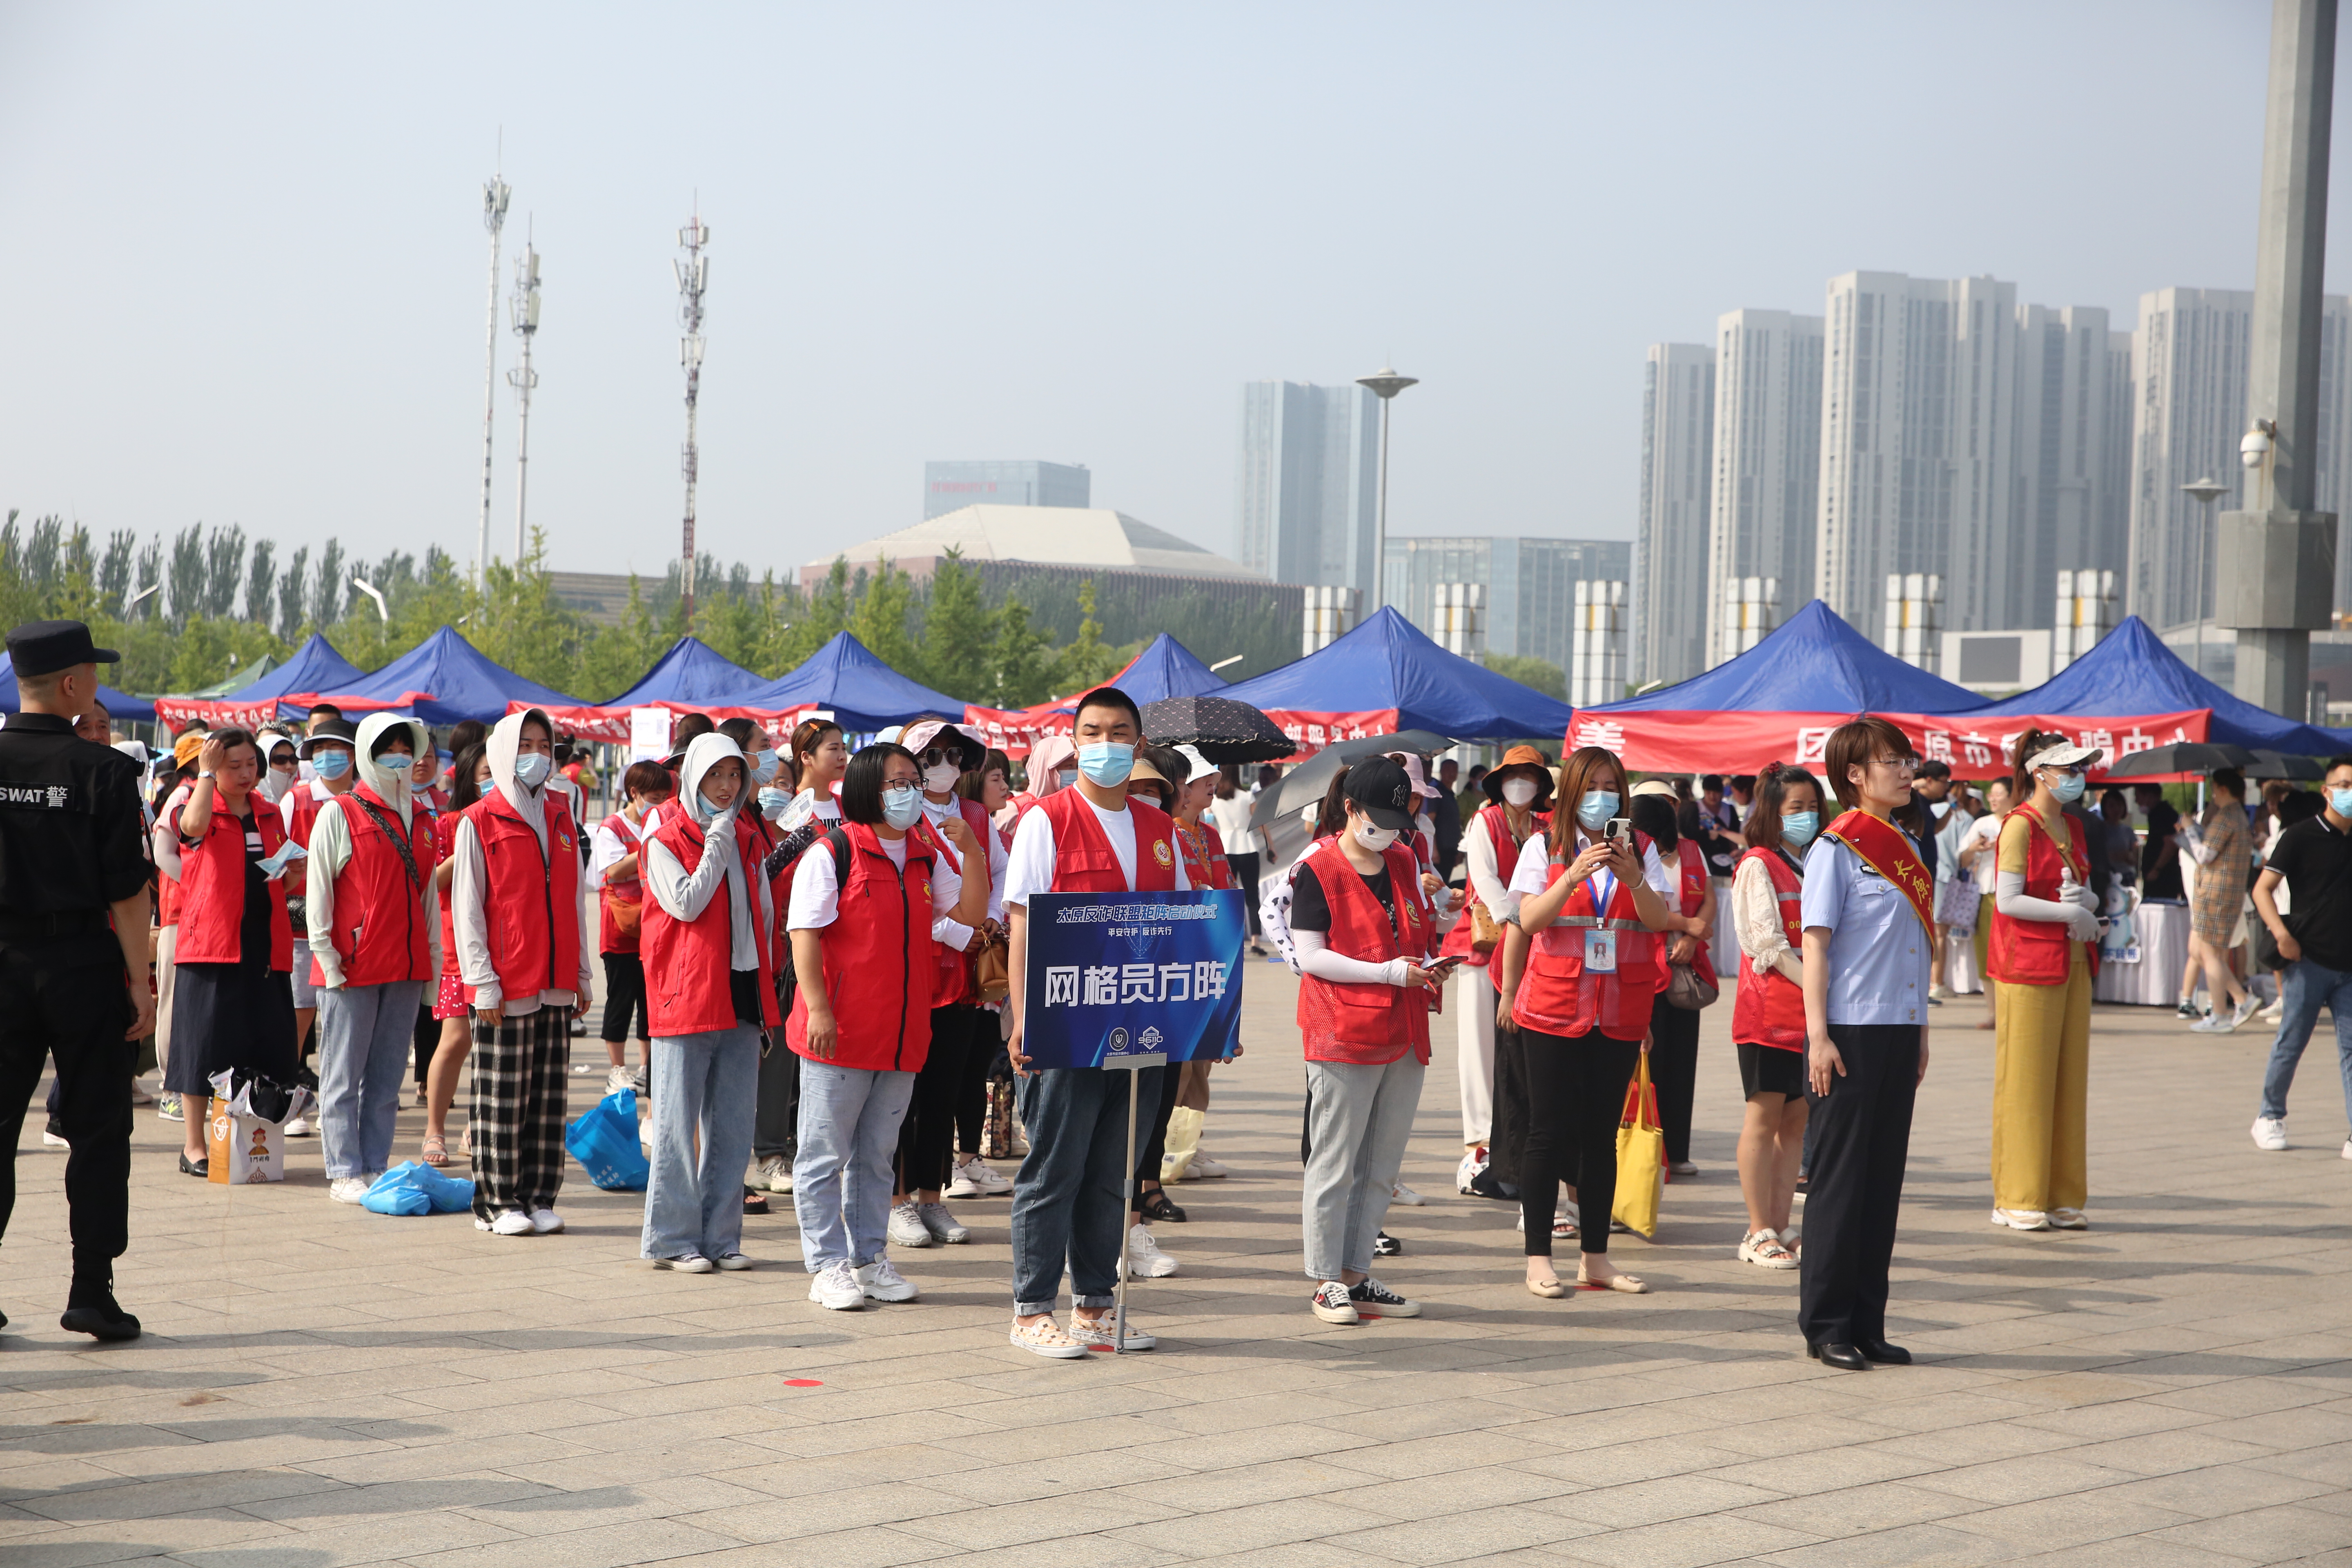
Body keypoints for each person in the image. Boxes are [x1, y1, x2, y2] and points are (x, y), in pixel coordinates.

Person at [1003, 686, 1189, 1357]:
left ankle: (1093, 1307)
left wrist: (1203, 1024)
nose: (1105, 744)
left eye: (1119, 733)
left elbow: (1184, 935)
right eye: (1093, 732)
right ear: (1073, 743)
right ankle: (1030, 1310)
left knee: (1114, 1171)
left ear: (1139, 747)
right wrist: (1024, 1021)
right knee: (1054, 1169)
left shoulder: (1163, 833)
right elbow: (1021, 925)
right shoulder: (1045, 821)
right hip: (1064, 1027)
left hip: (1140, 1030)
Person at [786, 742, 984, 1308]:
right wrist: (820, 1007)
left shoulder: (924, 853)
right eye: (898, 781)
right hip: (840, 1032)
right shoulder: (835, 852)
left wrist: (970, 854)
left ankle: (870, 1259)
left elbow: (967, 917)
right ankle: (826, 1265)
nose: (910, 790)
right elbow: (805, 934)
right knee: (824, 1155)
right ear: (870, 787)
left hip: (902, 1034)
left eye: (913, 780)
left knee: (876, 1156)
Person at [0, 621, 152, 1340]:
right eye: (91, 673)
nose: (95, 684)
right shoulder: (107, 772)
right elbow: (128, 897)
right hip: (83, 967)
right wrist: (143, 983)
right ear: (70, 685)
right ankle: (92, 1289)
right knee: (97, 1131)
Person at [1497, 744, 1677, 1297]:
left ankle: (1595, 1258)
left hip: (1619, 1012)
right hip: (1552, 1009)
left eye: (1612, 786)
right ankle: (1538, 1260)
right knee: (1546, 1133)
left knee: (1600, 1138)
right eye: (1593, 785)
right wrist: (1571, 876)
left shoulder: (1640, 848)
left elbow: (1657, 922)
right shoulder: (1542, 846)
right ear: (1573, 791)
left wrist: (1634, 878)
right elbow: (1527, 919)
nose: (1603, 796)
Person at [1798, 716, 1931, 1371]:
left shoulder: (1904, 843)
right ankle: (1826, 1325)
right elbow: (1816, 947)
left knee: (1882, 1184)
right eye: (1891, 761)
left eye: (1908, 760)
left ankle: (1867, 1321)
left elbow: (1914, 949)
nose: (1906, 771)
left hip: (1899, 1029)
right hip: (1847, 1029)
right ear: (1855, 774)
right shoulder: (1836, 849)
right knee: (1840, 1182)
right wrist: (1817, 1035)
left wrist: (1922, 1027)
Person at [1287, 757, 1434, 1323]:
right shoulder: (1316, 869)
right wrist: (1387, 973)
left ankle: (1357, 1273)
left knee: (1381, 1164)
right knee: (1334, 1161)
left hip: (1404, 1028)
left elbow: (1413, 930)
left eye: (1402, 819)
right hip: (1343, 1031)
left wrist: (1426, 955)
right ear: (1351, 810)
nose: (1393, 830)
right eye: (1382, 817)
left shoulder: (1402, 858)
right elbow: (1311, 954)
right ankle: (1326, 1279)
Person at [451, 708, 594, 1237]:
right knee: (500, 1099)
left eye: (545, 745)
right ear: (505, 753)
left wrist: (582, 972)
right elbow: (468, 908)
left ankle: (538, 1195)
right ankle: (495, 1201)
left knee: (547, 1096)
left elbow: (575, 897)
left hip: (555, 977)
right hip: (505, 980)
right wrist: (481, 980)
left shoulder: (561, 812)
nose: (537, 756)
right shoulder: (480, 819)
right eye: (526, 745)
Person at [639, 733, 776, 1272]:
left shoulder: (748, 837)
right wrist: (718, 840)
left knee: (734, 1126)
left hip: (742, 993)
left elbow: (763, 915)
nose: (726, 786)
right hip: (687, 998)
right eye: (716, 775)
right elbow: (688, 904)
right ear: (693, 776)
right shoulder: (665, 838)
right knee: (677, 1125)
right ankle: (674, 1239)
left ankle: (722, 1237)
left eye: (735, 775)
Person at [306, 716, 440, 1203]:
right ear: (368, 753)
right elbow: (319, 890)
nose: (401, 758)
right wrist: (329, 958)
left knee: (386, 1079)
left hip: (405, 969)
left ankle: (374, 1163)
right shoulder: (340, 813)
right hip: (352, 967)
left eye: (409, 748)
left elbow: (427, 902)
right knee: (342, 1075)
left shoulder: (424, 821)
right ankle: (343, 1169)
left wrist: (432, 965)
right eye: (390, 749)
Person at [886, 719, 1000, 1251]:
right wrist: (958, 933)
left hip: (965, 980)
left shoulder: (975, 814)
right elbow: (900, 897)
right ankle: (897, 1200)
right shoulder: (900, 817)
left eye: (954, 755)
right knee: (899, 1097)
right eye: (931, 757)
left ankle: (933, 1197)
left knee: (944, 1092)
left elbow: (1002, 877)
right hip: (915, 968)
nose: (944, 766)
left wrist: (990, 924)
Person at [1986, 733, 2105, 1232]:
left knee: (2068, 1081)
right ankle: (2017, 1195)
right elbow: (2007, 900)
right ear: (2041, 773)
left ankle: (2061, 1195)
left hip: (2074, 958)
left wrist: (2085, 904)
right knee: (2026, 1083)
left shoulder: (2072, 825)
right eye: (2069, 768)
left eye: (2081, 768)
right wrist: (2067, 910)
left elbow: (2091, 894)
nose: (2077, 777)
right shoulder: (2019, 826)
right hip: (2027, 964)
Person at [169, 728, 301, 1176]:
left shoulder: (268, 812)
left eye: (251, 765)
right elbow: (191, 829)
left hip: (263, 942)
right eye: (234, 766)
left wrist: (292, 870)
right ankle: (194, 1146)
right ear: (213, 768)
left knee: (262, 1042)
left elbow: (281, 882)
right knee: (204, 1047)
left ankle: (247, 1141)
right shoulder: (201, 802)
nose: (246, 774)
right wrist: (205, 774)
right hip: (211, 944)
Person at [1447, 746, 1551, 1200]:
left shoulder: (1547, 828)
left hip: (1530, 946)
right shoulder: (1484, 821)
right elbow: (1484, 878)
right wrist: (1518, 918)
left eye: (1531, 776)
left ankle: (1513, 1135)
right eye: (1515, 775)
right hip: (1488, 939)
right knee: (1479, 1045)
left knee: (1516, 1044)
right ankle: (1479, 1142)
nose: (1522, 783)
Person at [1729, 762, 1820, 1270]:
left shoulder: (1813, 863)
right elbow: (1765, 943)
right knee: (1763, 1119)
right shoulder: (1757, 865)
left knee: (1796, 1119)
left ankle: (1783, 1224)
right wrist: (1819, 986)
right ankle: (1756, 1228)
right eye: (1795, 809)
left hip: (1810, 1016)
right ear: (1771, 813)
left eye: (1812, 807)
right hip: (1770, 1013)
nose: (1806, 816)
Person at [2248, 757, 2352, 1152]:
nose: (2348, 792)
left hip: (2349, 965)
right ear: (2326, 791)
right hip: (2307, 960)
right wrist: (2281, 935)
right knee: (2292, 1040)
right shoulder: (2300, 836)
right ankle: (2270, 1116)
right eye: (2342, 785)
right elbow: (2262, 889)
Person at [1629, 782, 1714, 1177]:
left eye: (1670, 803)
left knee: (1682, 1062)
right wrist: (1686, 925)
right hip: (1647, 966)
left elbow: (1709, 897)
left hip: (1686, 968)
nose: (1666, 810)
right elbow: (1649, 910)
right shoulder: (1633, 854)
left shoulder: (1692, 850)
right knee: (1651, 1065)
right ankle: (1650, 1153)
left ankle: (1676, 1151)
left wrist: (1694, 937)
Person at [421, 744, 490, 1165]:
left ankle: (476, 1126)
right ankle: (435, 1129)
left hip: (507, 949)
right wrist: (469, 845)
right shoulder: (448, 824)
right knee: (457, 1039)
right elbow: (432, 882)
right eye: (486, 772)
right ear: (468, 776)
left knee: (498, 1045)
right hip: (458, 948)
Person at [282, 717, 360, 1083]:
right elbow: (274, 863)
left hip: (354, 930)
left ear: (355, 754)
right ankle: (289, 1092)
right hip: (301, 927)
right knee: (299, 1014)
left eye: (337, 749)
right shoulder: (296, 800)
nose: (328, 757)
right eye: (320, 750)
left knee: (345, 1020)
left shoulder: (367, 800)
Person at [590, 760, 671, 1098]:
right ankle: (616, 1069)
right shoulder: (612, 827)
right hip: (622, 930)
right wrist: (651, 845)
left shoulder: (662, 821)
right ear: (635, 793)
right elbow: (612, 872)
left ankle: (644, 1067)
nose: (661, 803)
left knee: (649, 1001)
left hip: (654, 929)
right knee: (620, 999)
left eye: (666, 797)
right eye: (655, 796)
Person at [2186, 767, 2258, 1033]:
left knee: (2209, 953)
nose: (2213, 794)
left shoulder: (2226, 817)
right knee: (2203, 951)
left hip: (2215, 893)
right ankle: (2236, 1002)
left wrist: (2189, 830)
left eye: (2215, 789)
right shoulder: (2239, 817)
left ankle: (2224, 1012)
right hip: (2228, 893)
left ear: (2224, 789)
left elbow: (2205, 855)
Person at [1958, 778, 2013, 1031]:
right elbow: (1962, 860)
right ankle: (1994, 1014)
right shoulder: (1982, 824)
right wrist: (1975, 848)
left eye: (1999, 794)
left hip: (2016, 896)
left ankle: (2013, 1013)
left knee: (2012, 956)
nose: (1993, 798)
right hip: (1987, 894)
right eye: (1992, 794)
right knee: (1987, 956)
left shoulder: (2021, 821)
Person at [1209, 766, 1265, 956]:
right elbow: (1260, 823)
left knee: (1226, 895)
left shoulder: (1215, 799)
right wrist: (1271, 847)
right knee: (1252, 895)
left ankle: (1228, 938)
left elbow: (1208, 819)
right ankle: (1256, 941)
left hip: (1225, 848)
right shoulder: (1247, 796)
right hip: (1248, 845)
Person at [1913, 760, 1953, 1001]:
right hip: (1916, 875)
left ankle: (1923, 989)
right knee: (1920, 932)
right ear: (1929, 780)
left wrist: (1950, 810)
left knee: (1924, 931)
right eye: (1944, 782)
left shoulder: (1927, 804)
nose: (1946, 787)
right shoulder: (1914, 800)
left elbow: (1934, 829)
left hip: (1928, 874)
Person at [2135, 783, 2186, 904]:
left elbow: (2170, 843)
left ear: (2149, 796)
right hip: (2158, 875)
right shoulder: (2155, 815)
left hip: (2163, 878)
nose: (2137, 801)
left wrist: (2156, 869)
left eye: (2138, 796)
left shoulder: (2162, 815)